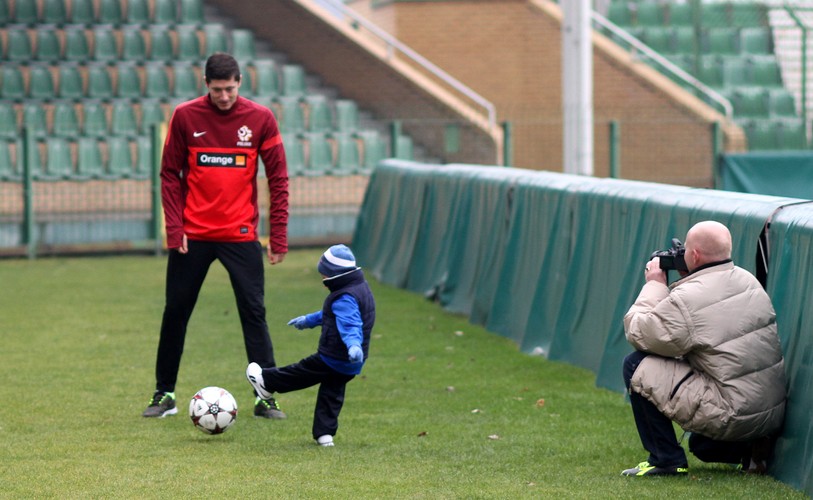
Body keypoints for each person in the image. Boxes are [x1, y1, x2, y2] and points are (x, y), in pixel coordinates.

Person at [142, 52, 289, 420]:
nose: (224, 96)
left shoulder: (260, 119)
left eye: (230, 89)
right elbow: (169, 174)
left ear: (240, 81)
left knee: (254, 313)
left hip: (240, 235)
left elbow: (278, 179)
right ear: (206, 84)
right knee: (175, 311)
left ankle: (264, 397)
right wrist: (175, 229)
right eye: (218, 89)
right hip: (193, 235)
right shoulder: (186, 116)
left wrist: (278, 235)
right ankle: (164, 394)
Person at [621, 220, 786, 476]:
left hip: (732, 412)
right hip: (768, 415)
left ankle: (665, 459)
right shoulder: (747, 280)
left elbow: (640, 333)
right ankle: (750, 449)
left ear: (695, 255)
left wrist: (654, 285)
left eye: (685, 250)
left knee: (635, 365)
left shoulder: (688, 298)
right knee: (701, 445)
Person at [246, 244, 375, 446]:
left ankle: (266, 382)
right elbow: (332, 314)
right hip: (352, 363)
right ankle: (325, 435)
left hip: (335, 355)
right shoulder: (359, 288)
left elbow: (350, 324)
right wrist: (309, 320)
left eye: (324, 276)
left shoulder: (344, 297)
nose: (323, 281)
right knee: (332, 394)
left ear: (335, 276)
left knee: (301, 372)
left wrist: (353, 345)